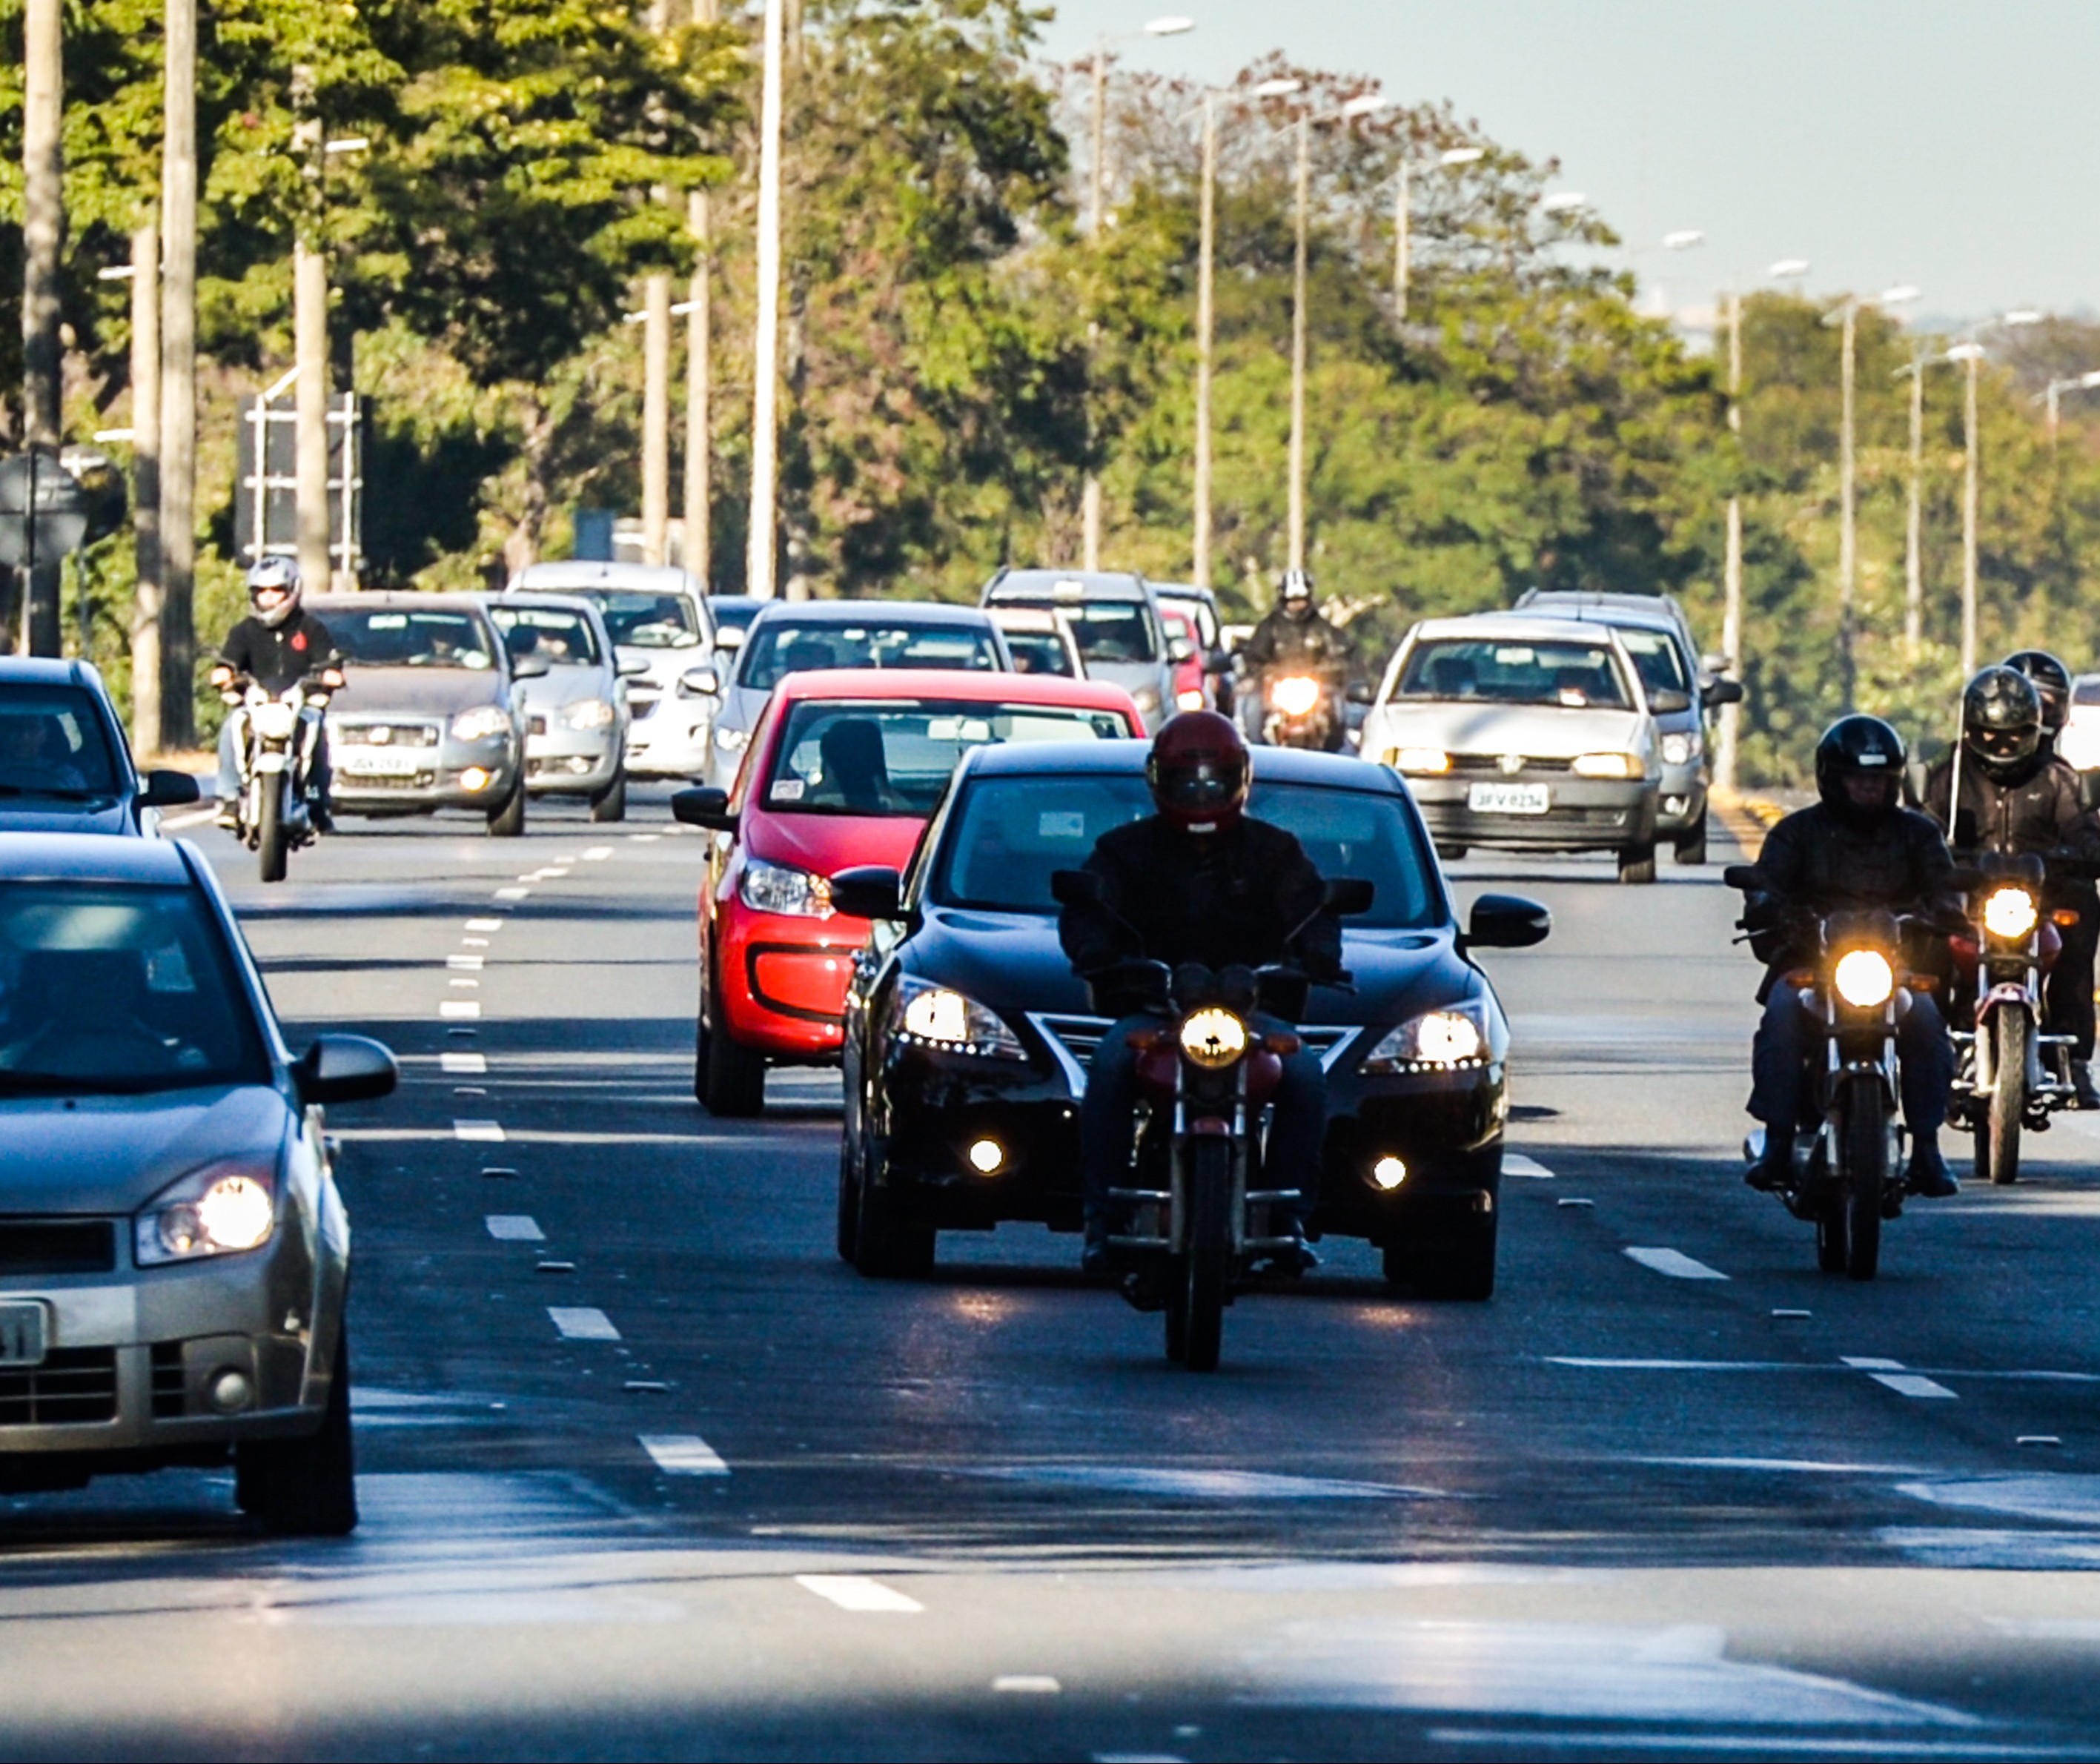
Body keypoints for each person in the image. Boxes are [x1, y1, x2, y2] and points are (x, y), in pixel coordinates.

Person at [1057, 711, 1341, 1276]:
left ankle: (1289, 1219)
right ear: (1158, 779)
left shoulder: (1276, 851)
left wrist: (1313, 959)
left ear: (1240, 779)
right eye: (1186, 781)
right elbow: (1087, 910)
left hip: (1252, 1012)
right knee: (1111, 1066)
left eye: (1214, 780)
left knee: (1305, 1075)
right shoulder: (1122, 850)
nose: (1201, 792)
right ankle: (1103, 1218)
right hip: (1154, 1008)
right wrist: (1103, 958)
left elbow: (1313, 911)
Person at [1738, 714, 1961, 1197]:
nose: (1868, 789)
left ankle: (1926, 1147)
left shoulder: (1918, 834)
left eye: (1879, 780)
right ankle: (1777, 1142)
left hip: (1890, 970)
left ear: (1895, 782)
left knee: (1925, 1022)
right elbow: (1766, 886)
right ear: (1832, 778)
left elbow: (1945, 886)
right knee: (1780, 1016)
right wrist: (1767, 907)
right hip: (1811, 967)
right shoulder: (1795, 833)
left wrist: (1946, 909)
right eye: (1858, 779)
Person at [1924, 663, 2100, 1108]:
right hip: (1968, 895)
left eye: (2014, 735)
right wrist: (1931, 861)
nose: (2002, 745)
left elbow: (2084, 829)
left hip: (2042, 895)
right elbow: (1922, 829)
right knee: (1921, 930)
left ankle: (2074, 1056)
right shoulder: (1951, 773)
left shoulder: (2057, 777)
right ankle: (1927, 1042)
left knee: (2081, 911)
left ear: (2034, 730)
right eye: (1990, 735)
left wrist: (2081, 851)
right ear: (1971, 730)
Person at [211, 557, 338, 832]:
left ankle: (318, 801)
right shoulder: (244, 631)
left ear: (293, 589)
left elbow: (328, 663)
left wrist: (330, 676)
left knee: (317, 730)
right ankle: (230, 798)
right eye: (261, 591)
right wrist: (223, 673)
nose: (268, 597)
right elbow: (227, 662)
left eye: (276, 590)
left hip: (299, 703)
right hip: (257, 703)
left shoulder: (311, 628)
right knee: (232, 725)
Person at [1239, 570, 1358, 747]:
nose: (1296, 605)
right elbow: (1254, 655)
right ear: (1283, 600)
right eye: (1292, 601)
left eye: (1300, 600)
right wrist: (1265, 672)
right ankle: (1259, 751)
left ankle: (1334, 750)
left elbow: (1340, 651)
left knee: (1338, 710)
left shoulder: (1323, 628)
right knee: (1252, 709)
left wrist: (1332, 667)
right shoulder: (1269, 627)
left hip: (1316, 685)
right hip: (1276, 687)